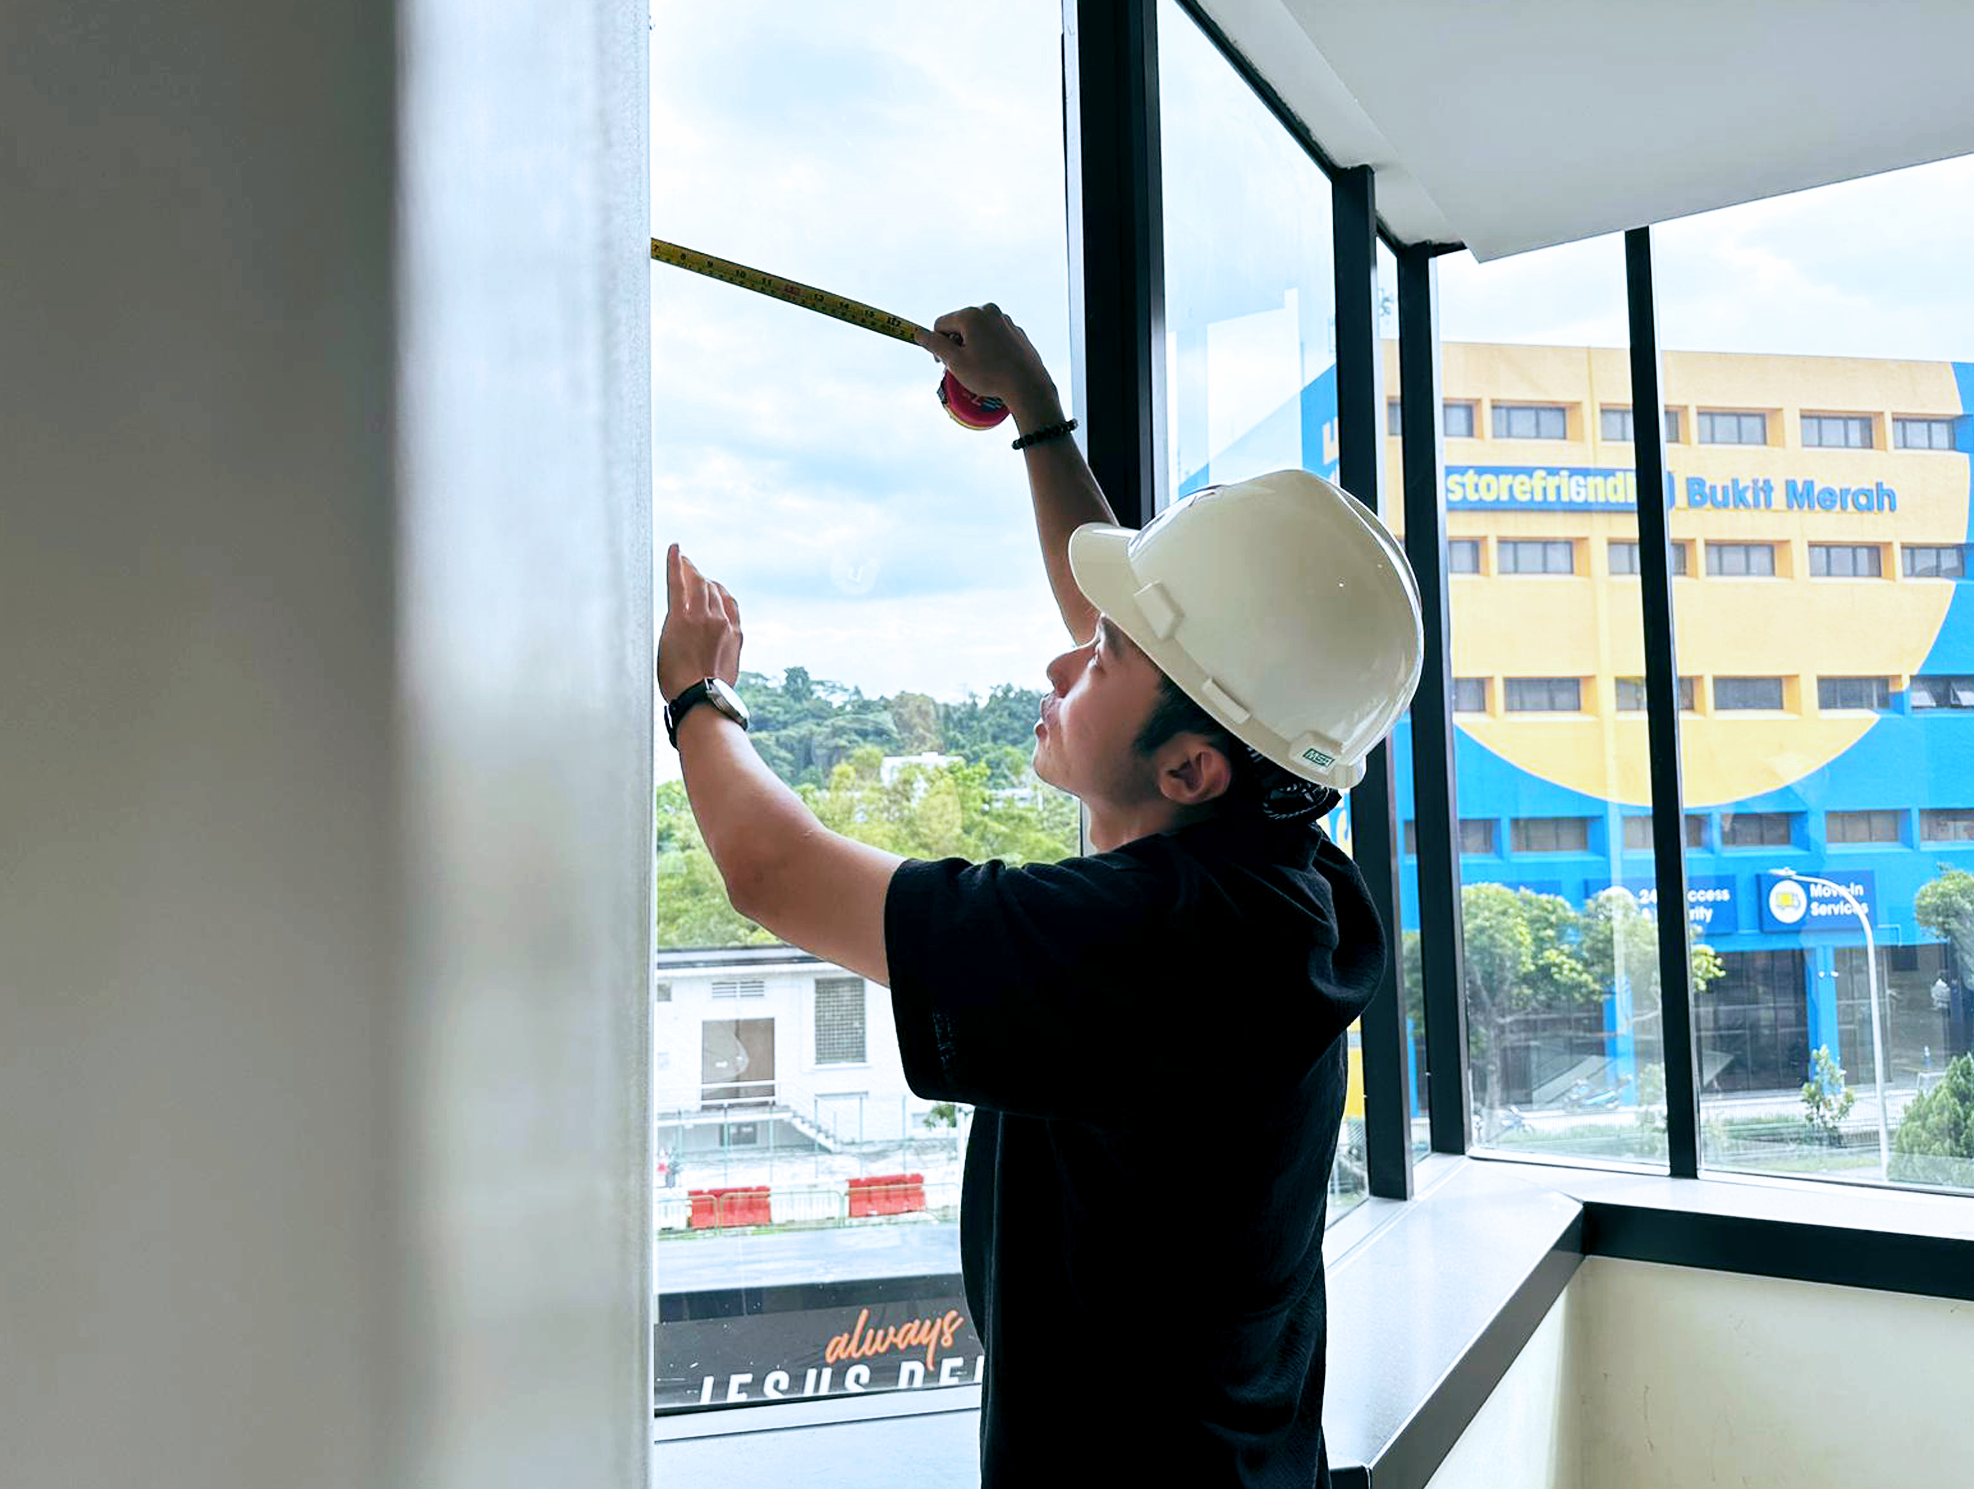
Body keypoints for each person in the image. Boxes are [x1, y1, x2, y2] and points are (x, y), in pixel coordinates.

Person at [657, 304, 1423, 1487]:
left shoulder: (1147, 946)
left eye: (1104, 658)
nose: (1066, 660)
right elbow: (1162, 661)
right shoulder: (1281, 876)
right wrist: (1037, 416)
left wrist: (699, 698)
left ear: (1188, 771)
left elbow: (775, 873)